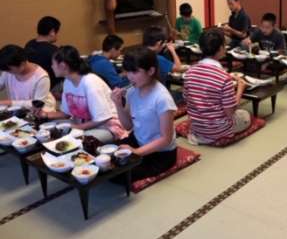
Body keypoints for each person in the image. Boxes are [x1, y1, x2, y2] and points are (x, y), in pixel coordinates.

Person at [111, 47, 177, 181]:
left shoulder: (162, 98)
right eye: (128, 71)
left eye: (135, 71)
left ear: (151, 71)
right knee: (105, 157)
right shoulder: (132, 91)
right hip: (138, 140)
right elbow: (128, 126)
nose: (129, 76)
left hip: (160, 153)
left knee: (117, 174)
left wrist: (136, 152)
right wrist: (118, 104)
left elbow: (166, 139)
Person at [38, 46, 126, 143]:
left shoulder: (90, 82)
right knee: (50, 129)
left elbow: (101, 118)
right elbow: (66, 113)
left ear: (63, 65)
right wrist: (45, 114)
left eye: (53, 64)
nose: (52, 66)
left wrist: (77, 127)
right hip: (83, 123)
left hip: (107, 126)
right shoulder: (67, 81)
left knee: (77, 141)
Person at [183, 28, 251, 145]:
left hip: (197, 127)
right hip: (218, 130)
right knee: (245, 115)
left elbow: (187, 99)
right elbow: (230, 112)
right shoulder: (223, 77)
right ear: (220, 48)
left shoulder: (190, 72)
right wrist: (240, 89)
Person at [0, 44, 56, 110]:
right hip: (19, 109)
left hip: (41, 111)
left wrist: (9, 102)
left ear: (22, 64)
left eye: (9, 70)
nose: (8, 72)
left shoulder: (41, 77)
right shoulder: (8, 72)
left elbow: (37, 104)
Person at [25, 16, 61, 86]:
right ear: (52, 32)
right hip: (49, 86)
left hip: (31, 84)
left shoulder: (29, 44)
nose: (57, 35)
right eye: (57, 32)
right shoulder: (53, 51)